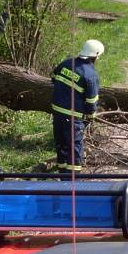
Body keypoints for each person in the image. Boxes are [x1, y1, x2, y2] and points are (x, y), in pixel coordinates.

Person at [51, 39, 103, 172]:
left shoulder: (66, 63)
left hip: (57, 112)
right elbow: (91, 101)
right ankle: (74, 180)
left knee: (61, 145)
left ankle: (62, 175)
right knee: (74, 147)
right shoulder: (90, 75)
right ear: (95, 56)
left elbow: (53, 77)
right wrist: (90, 117)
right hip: (73, 117)